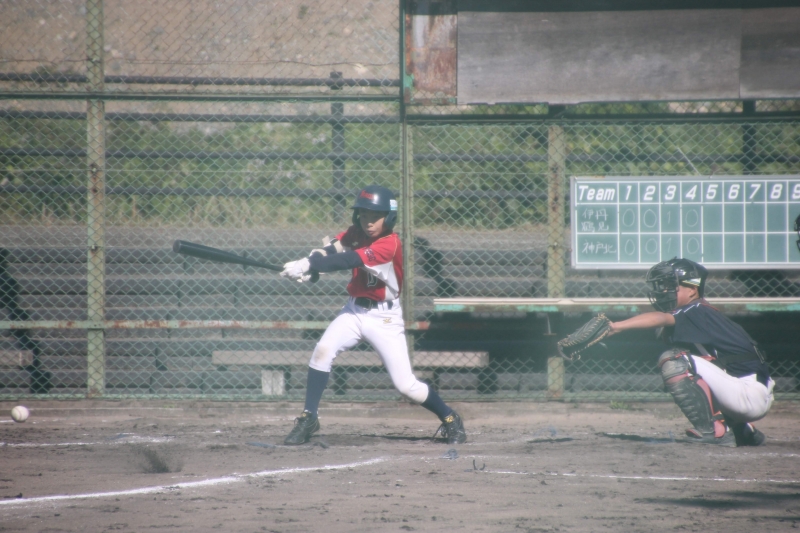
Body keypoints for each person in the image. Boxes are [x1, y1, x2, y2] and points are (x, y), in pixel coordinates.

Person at [278, 185, 467, 445]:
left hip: (384, 318)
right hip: (354, 311)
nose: (368, 221)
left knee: (406, 386)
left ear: (389, 217)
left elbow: (349, 260)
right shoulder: (357, 232)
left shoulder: (389, 244)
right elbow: (333, 249)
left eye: (375, 216)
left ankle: (449, 417)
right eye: (364, 215)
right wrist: (311, 262)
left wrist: (309, 265)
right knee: (323, 350)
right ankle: (309, 416)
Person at [606, 258, 774, 447]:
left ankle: (715, 432)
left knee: (675, 361)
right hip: (749, 391)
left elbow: (661, 318)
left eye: (671, 286)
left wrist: (616, 326)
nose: (664, 291)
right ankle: (741, 430)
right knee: (694, 363)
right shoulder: (699, 313)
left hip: (748, 393)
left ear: (693, 290)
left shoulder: (696, 309)